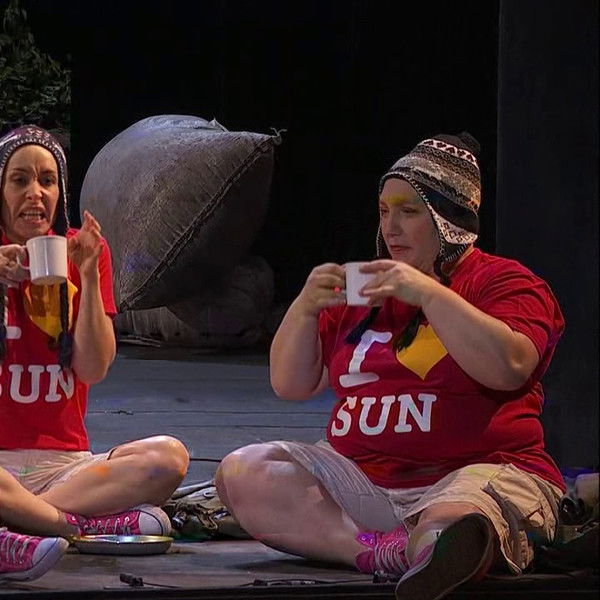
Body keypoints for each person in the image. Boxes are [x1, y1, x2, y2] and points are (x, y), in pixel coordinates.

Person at [216, 132, 566, 599]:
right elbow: (291, 383)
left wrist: (427, 293)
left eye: (408, 211)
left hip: (473, 472)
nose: (391, 227)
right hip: (365, 483)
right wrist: (304, 308)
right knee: (244, 471)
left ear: (447, 218)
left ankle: (437, 548)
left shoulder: (503, 282)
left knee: (456, 521)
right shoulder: (367, 289)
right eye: (384, 211)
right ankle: (380, 552)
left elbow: (510, 366)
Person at [0, 126, 189, 548]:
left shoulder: (82, 250)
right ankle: (71, 526)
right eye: (19, 180)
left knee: (167, 458)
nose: (35, 192)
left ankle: (20, 520)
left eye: (47, 180)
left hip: (66, 469)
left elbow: (92, 368)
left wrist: (86, 273)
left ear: (60, 191)